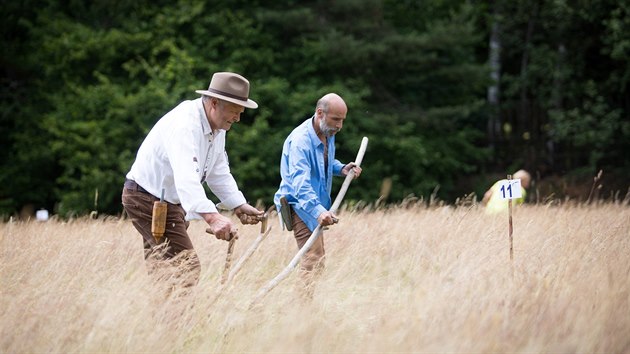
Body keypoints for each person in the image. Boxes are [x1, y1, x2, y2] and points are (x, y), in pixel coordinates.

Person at [122, 72, 263, 291]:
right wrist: (213, 218)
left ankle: (162, 324)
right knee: (186, 267)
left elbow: (217, 170)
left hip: (168, 203)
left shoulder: (218, 127)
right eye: (235, 111)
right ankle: (178, 324)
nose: (237, 118)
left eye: (240, 112)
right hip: (146, 198)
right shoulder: (185, 126)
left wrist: (237, 204)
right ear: (215, 103)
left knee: (165, 272)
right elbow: (186, 178)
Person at [273, 93, 362, 296]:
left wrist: (342, 169)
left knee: (317, 259)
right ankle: (301, 309)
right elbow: (300, 183)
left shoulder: (327, 133)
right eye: (336, 119)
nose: (339, 126)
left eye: (342, 120)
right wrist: (317, 211)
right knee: (313, 257)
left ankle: (305, 304)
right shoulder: (300, 141)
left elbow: (323, 163)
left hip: (314, 204)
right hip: (299, 204)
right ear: (320, 113)